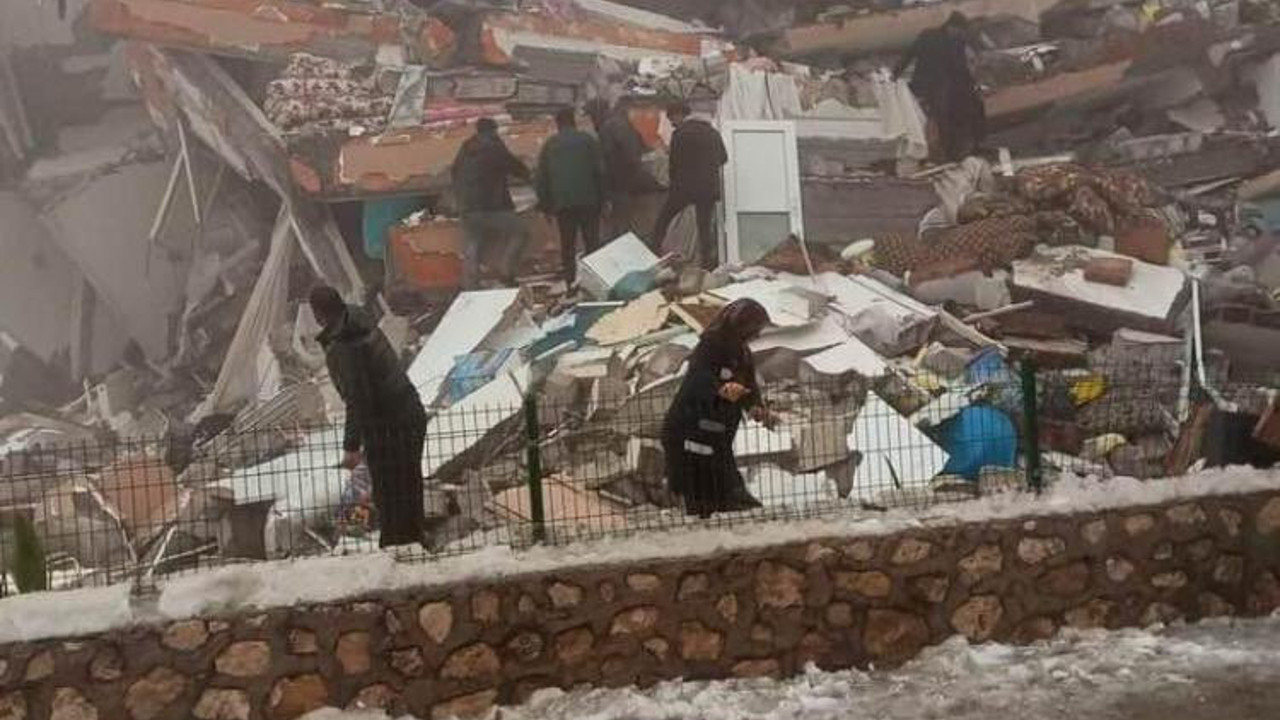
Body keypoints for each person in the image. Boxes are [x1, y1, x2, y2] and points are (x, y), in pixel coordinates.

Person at [310, 286, 427, 549]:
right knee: (408, 484)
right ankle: (414, 542)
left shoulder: (344, 343)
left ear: (318, 314)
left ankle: (398, 549)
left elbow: (358, 398)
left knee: (389, 491)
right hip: (408, 409)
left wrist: (351, 447)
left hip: (387, 421)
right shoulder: (358, 318)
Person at [661, 298, 776, 518]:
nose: (757, 335)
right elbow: (700, 377)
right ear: (741, 325)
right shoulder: (711, 344)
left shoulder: (742, 353)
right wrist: (720, 390)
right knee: (703, 495)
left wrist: (757, 408)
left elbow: (748, 387)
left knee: (724, 492)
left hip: (716, 438)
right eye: (754, 329)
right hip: (691, 432)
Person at [450, 117, 532, 289]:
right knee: (521, 231)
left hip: (467, 208)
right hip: (491, 206)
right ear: (492, 130)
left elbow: (454, 171)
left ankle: (471, 284)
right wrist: (530, 174)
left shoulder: (466, 147)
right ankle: (506, 272)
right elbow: (514, 166)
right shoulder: (494, 146)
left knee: (474, 240)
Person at [893, 12, 986, 163]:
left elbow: (908, 56)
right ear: (952, 27)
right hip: (941, 87)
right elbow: (960, 67)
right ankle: (951, 152)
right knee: (948, 118)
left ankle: (941, 149)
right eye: (960, 30)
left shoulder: (926, 34)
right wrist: (973, 85)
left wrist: (895, 74)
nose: (961, 34)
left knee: (935, 119)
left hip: (922, 85)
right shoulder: (955, 41)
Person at [652, 100, 728, 269]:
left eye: (672, 119)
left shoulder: (680, 133)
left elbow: (674, 163)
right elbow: (724, 158)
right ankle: (707, 266)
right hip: (708, 188)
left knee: (662, 221)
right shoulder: (713, 132)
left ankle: (652, 255)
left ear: (679, 115)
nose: (671, 124)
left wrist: (673, 185)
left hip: (684, 187)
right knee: (704, 228)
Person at [536, 107, 605, 286]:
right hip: (589, 200)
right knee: (592, 242)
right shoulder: (588, 141)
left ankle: (570, 282)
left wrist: (545, 206)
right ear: (573, 121)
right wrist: (604, 199)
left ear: (558, 124)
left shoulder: (550, 144)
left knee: (568, 245)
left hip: (563, 203)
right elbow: (600, 172)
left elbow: (541, 177)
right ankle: (595, 281)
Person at [587, 97, 654, 240]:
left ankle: (620, 247)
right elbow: (640, 147)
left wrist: (604, 186)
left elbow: (606, 159)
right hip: (626, 180)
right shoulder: (621, 124)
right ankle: (624, 243)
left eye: (591, 115)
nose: (591, 119)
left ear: (598, 112)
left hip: (618, 181)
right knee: (624, 220)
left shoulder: (609, 127)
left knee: (618, 220)